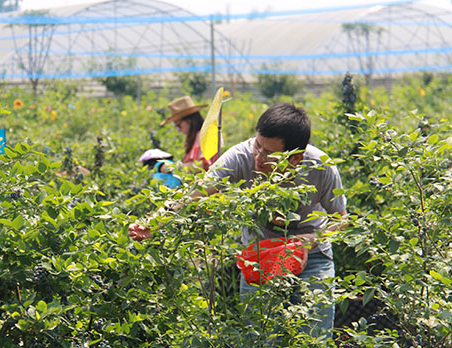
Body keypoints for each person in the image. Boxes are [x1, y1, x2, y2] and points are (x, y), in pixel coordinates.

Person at [130, 102, 347, 338]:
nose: (258, 156)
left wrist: (311, 239)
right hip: (258, 257)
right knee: (259, 336)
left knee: (315, 334)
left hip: (312, 256)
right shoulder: (239, 156)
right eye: (257, 145)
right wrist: (154, 222)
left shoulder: (321, 166)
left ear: (295, 158)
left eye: (269, 153)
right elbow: (195, 193)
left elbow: (341, 220)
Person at [159, 96, 217, 171]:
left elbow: (199, 166)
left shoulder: (204, 137)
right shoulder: (196, 137)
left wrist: (172, 167)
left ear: (189, 120)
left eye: (178, 125)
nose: (179, 130)